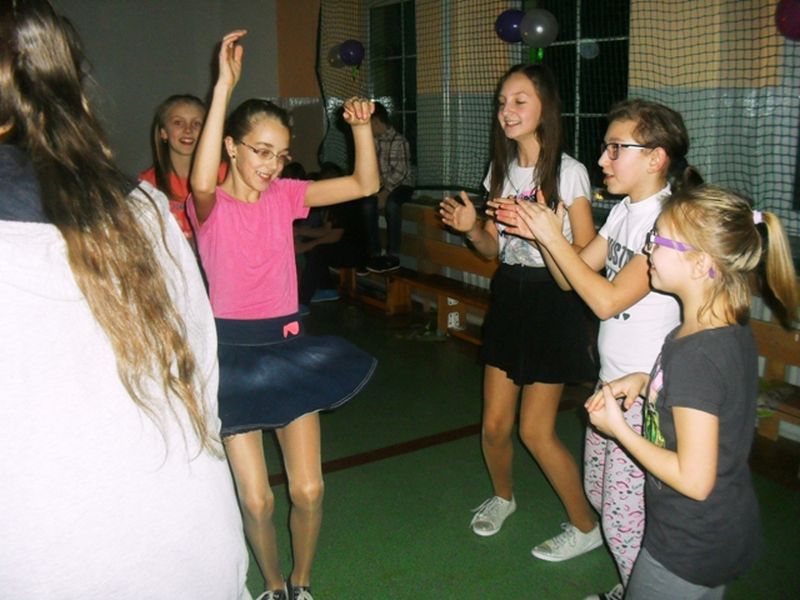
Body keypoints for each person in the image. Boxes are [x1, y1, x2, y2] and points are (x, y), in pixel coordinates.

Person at [0, 2, 250, 598]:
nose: (187, 130)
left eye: (196, 121)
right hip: (183, 546)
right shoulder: (145, 196)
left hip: (115, 544)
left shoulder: (143, 209)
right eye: (178, 122)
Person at [187, 30, 379, 600]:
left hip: (290, 348)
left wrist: (360, 128)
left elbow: (365, 183)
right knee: (256, 500)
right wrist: (223, 86)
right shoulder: (208, 205)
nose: (271, 165)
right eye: (260, 151)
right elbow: (199, 179)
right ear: (231, 148)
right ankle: (272, 586)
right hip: (232, 357)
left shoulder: (286, 196)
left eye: (280, 154)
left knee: (309, 490)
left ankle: (301, 582)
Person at [495, 99, 703, 600]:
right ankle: (633, 584)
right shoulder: (625, 212)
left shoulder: (667, 224)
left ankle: (637, 590)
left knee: (625, 518)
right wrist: (543, 237)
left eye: (615, 149)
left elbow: (607, 300)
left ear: (655, 158)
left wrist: (553, 238)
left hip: (646, 394)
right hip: (611, 385)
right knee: (602, 494)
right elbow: (571, 280)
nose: (602, 159)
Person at [585, 185, 797, 599]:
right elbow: (710, 398)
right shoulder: (722, 329)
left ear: (700, 264)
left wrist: (619, 430)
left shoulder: (696, 355)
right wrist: (645, 380)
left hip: (687, 544)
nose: (648, 249)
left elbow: (694, 479)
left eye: (658, 240)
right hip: (720, 528)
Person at [439, 63, 600, 561]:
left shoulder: (570, 173)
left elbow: (587, 252)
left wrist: (546, 235)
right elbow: (493, 248)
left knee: (535, 429)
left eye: (519, 101)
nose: (506, 111)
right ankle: (503, 496)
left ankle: (586, 526)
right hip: (511, 292)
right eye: (502, 102)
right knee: (493, 424)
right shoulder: (501, 171)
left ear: (544, 107)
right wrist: (471, 228)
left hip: (555, 300)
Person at [139, 94, 226, 243]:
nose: (188, 130)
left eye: (197, 124)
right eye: (178, 122)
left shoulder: (226, 175)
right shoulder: (147, 183)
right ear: (163, 133)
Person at [363, 101, 415, 273]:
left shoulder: (399, 141)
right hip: (382, 185)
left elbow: (401, 173)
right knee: (366, 204)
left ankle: (393, 255)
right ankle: (374, 253)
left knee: (392, 205)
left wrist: (385, 193)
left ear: (376, 121)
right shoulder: (373, 141)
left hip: (402, 185)